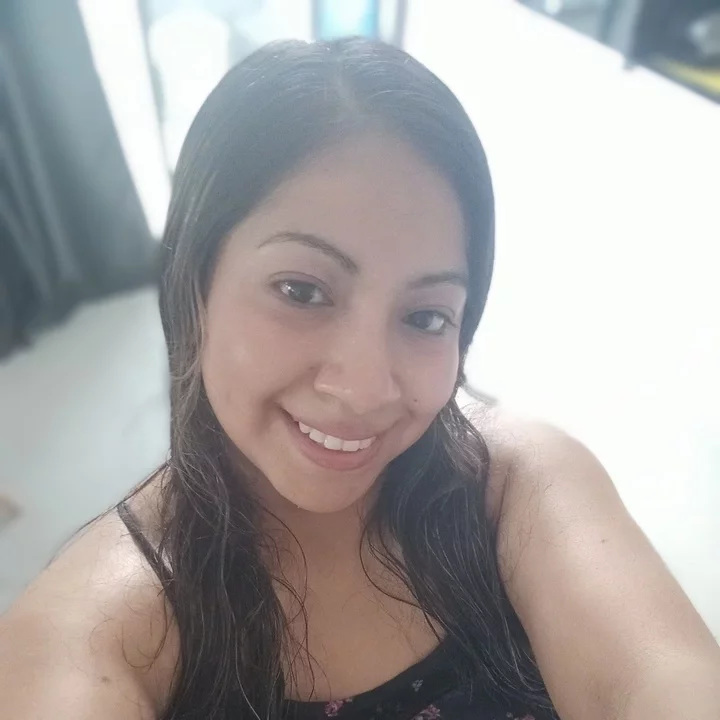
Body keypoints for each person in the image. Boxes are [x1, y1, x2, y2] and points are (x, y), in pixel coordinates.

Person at [1, 38, 718, 720]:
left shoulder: (516, 483)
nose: (366, 388)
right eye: (302, 291)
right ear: (195, 283)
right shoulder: (97, 632)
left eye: (426, 316)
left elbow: (651, 684)